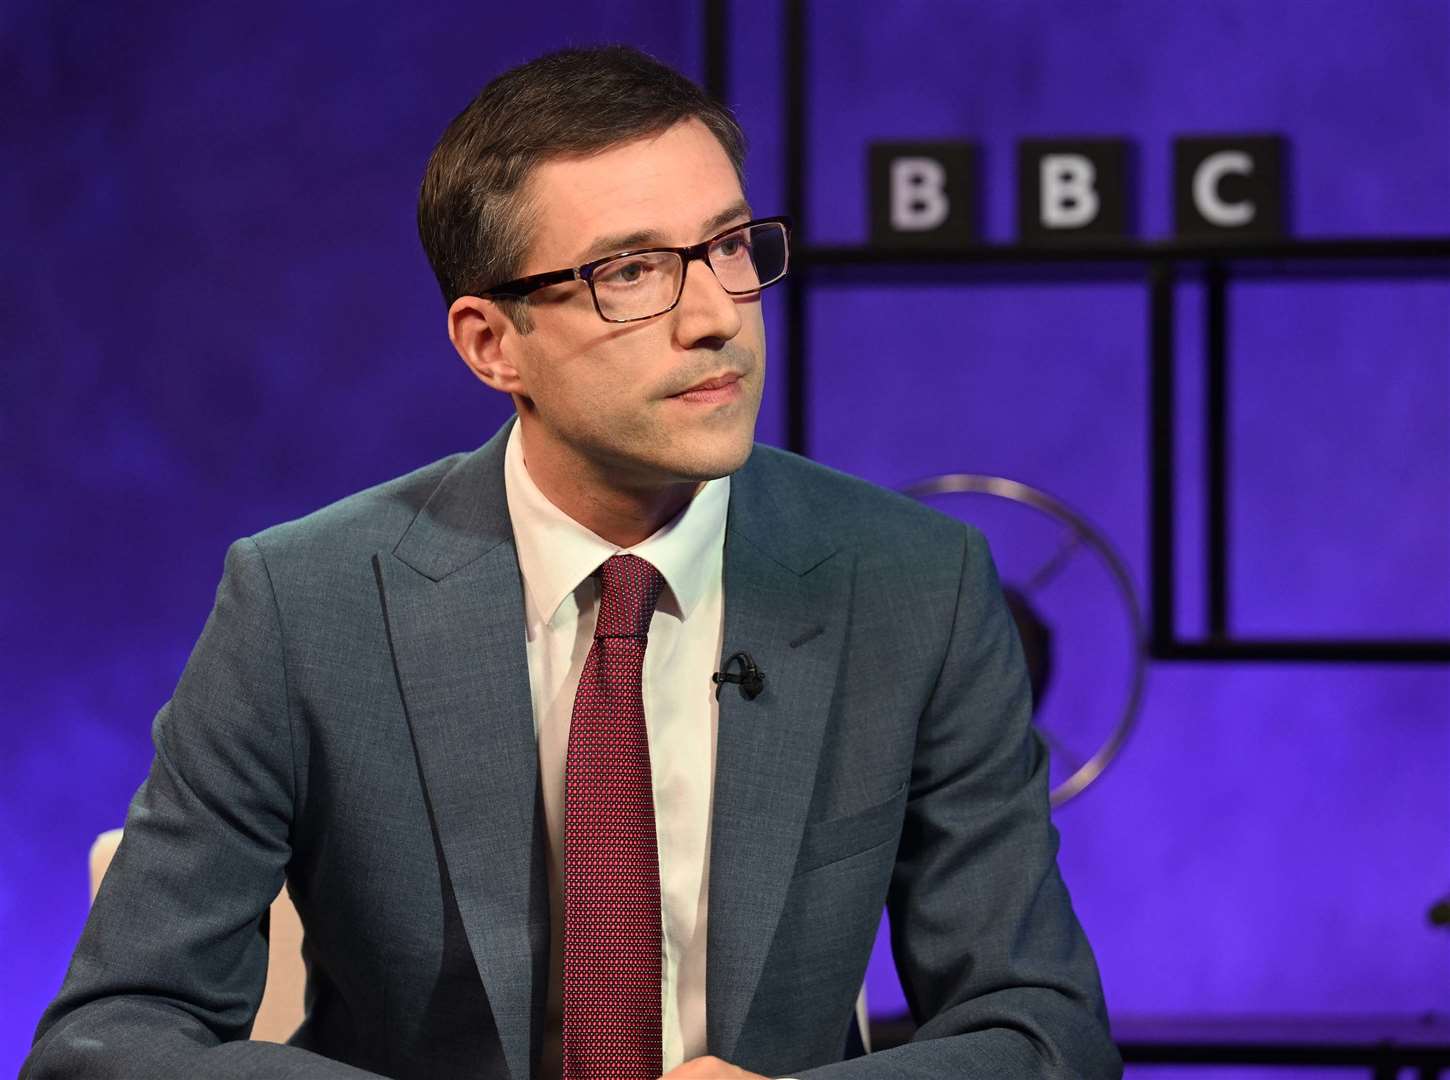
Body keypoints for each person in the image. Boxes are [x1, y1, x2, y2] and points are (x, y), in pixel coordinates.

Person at [23, 45, 1119, 1080]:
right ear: (491, 343)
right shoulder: (306, 604)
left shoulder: (915, 588)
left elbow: (1043, 1028)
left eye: (730, 247)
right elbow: (114, 1037)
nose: (713, 318)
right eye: (632, 272)